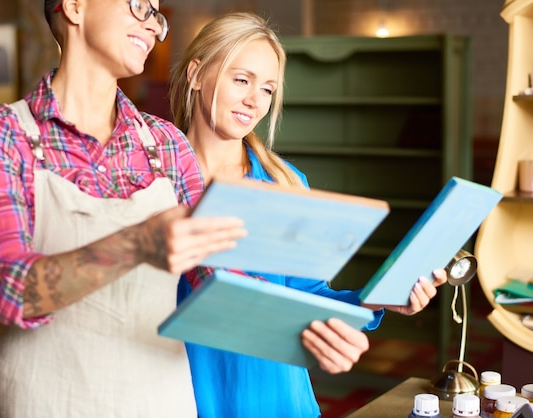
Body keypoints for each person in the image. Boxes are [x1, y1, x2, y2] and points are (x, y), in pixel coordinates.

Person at [0, 1, 247, 417]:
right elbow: (10, 291)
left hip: (161, 400)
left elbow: (217, 278)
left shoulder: (167, 144)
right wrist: (135, 243)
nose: (155, 27)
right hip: (46, 403)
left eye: (156, 13)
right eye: (138, 5)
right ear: (75, 6)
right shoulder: (2, 134)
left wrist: (306, 324)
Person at [170, 12, 448, 417]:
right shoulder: (154, 175)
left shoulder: (286, 183)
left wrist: (378, 301)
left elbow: (308, 296)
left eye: (267, 89)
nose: (254, 100)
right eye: (241, 79)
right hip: (185, 390)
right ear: (196, 74)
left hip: (278, 398)